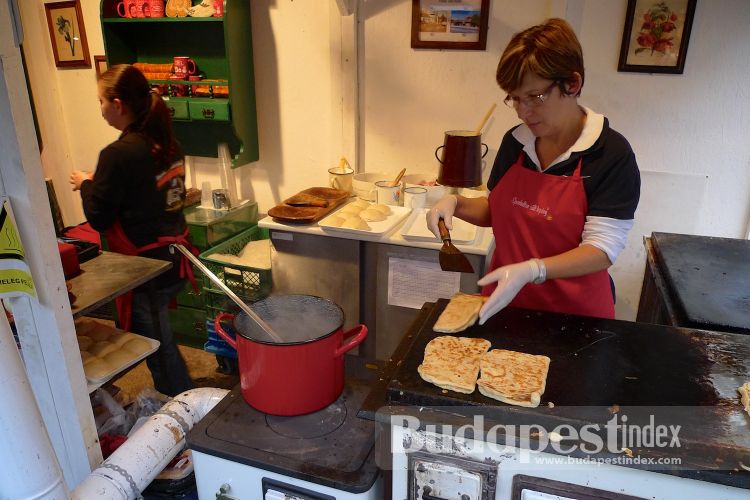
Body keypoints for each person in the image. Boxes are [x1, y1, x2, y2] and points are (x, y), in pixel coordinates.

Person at [427, 18, 640, 324]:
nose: (523, 111)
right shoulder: (517, 142)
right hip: (507, 304)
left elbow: (601, 249)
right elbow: (496, 209)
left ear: (572, 83)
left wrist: (534, 269)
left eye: (535, 97)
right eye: (514, 98)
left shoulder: (610, 154)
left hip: (576, 319)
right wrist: (456, 204)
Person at [70, 64, 194, 396]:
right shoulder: (168, 143)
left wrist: (86, 184)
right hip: (174, 257)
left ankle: (182, 408)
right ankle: (181, 398)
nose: (101, 109)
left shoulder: (117, 154)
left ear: (118, 103)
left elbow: (98, 216)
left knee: (158, 347)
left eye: (101, 101)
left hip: (146, 268)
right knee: (161, 339)